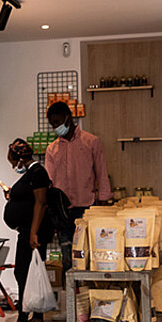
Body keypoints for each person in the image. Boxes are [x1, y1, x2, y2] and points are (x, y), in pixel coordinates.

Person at [43, 101, 111, 266]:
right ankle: (70, 290)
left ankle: (87, 291)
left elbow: (101, 172)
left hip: (86, 207)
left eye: (58, 122)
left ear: (68, 118)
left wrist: (104, 198)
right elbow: (49, 181)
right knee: (67, 257)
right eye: (52, 124)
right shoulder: (51, 149)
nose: (56, 127)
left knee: (88, 256)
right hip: (62, 212)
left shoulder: (91, 142)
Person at [1, 138, 54, 322]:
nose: (14, 166)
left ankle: (22, 321)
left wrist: (33, 232)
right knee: (31, 273)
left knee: (22, 272)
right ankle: (38, 319)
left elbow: (40, 203)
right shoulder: (32, 174)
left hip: (33, 231)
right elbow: (29, 198)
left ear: (20, 159)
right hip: (29, 230)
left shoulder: (38, 173)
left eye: (13, 162)